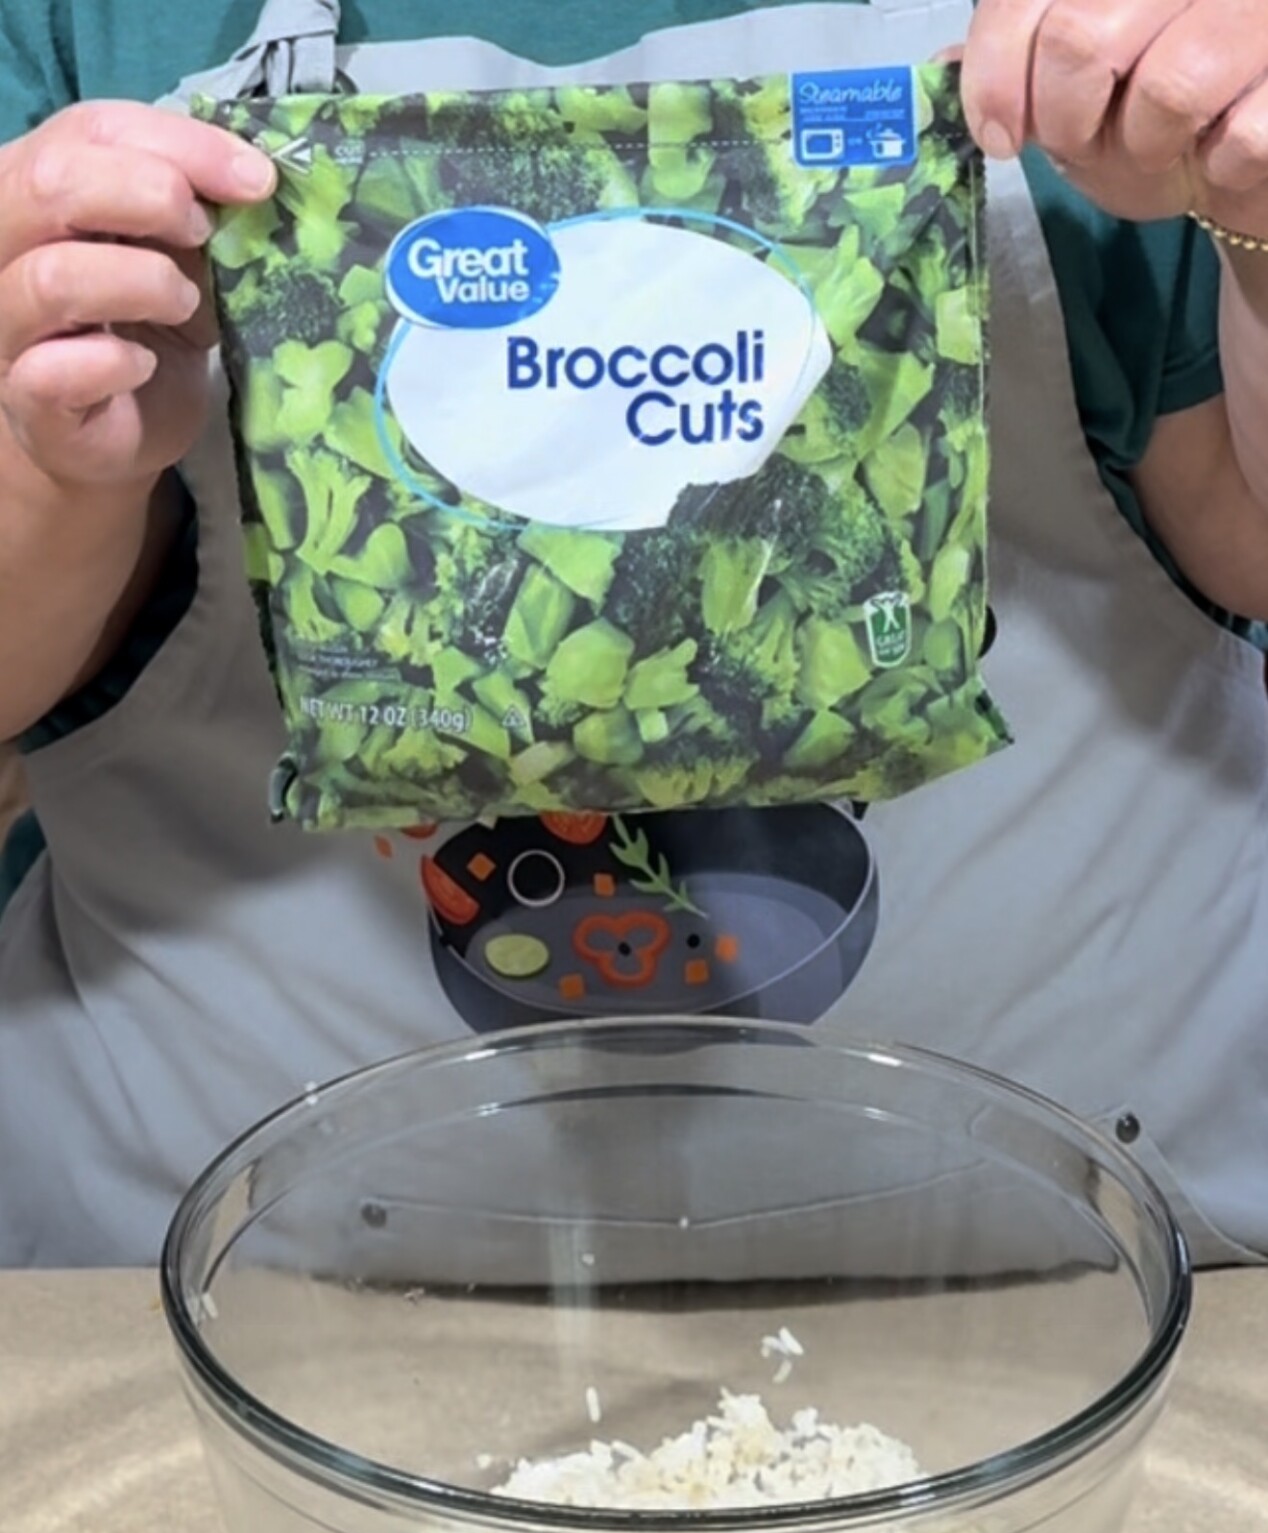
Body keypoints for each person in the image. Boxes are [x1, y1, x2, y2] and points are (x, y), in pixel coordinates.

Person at [1, 0, 1266, 1268]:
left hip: (1097, 1292)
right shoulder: (99, 29)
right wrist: (44, 460)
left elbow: (1244, 537)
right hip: (234, 1306)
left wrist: (1250, 199)